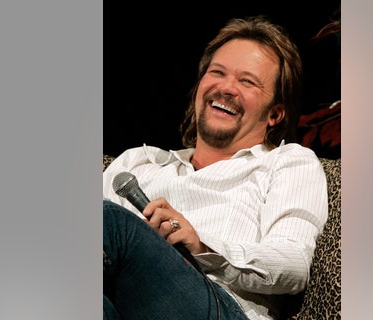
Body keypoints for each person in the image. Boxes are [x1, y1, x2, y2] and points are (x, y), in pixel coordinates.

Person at [102, 15, 328, 320]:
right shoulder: (137, 163)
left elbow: (294, 263)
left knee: (110, 221)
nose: (226, 87)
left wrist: (203, 246)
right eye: (217, 72)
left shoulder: (287, 162)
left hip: (219, 306)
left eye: (247, 81)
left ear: (275, 113)